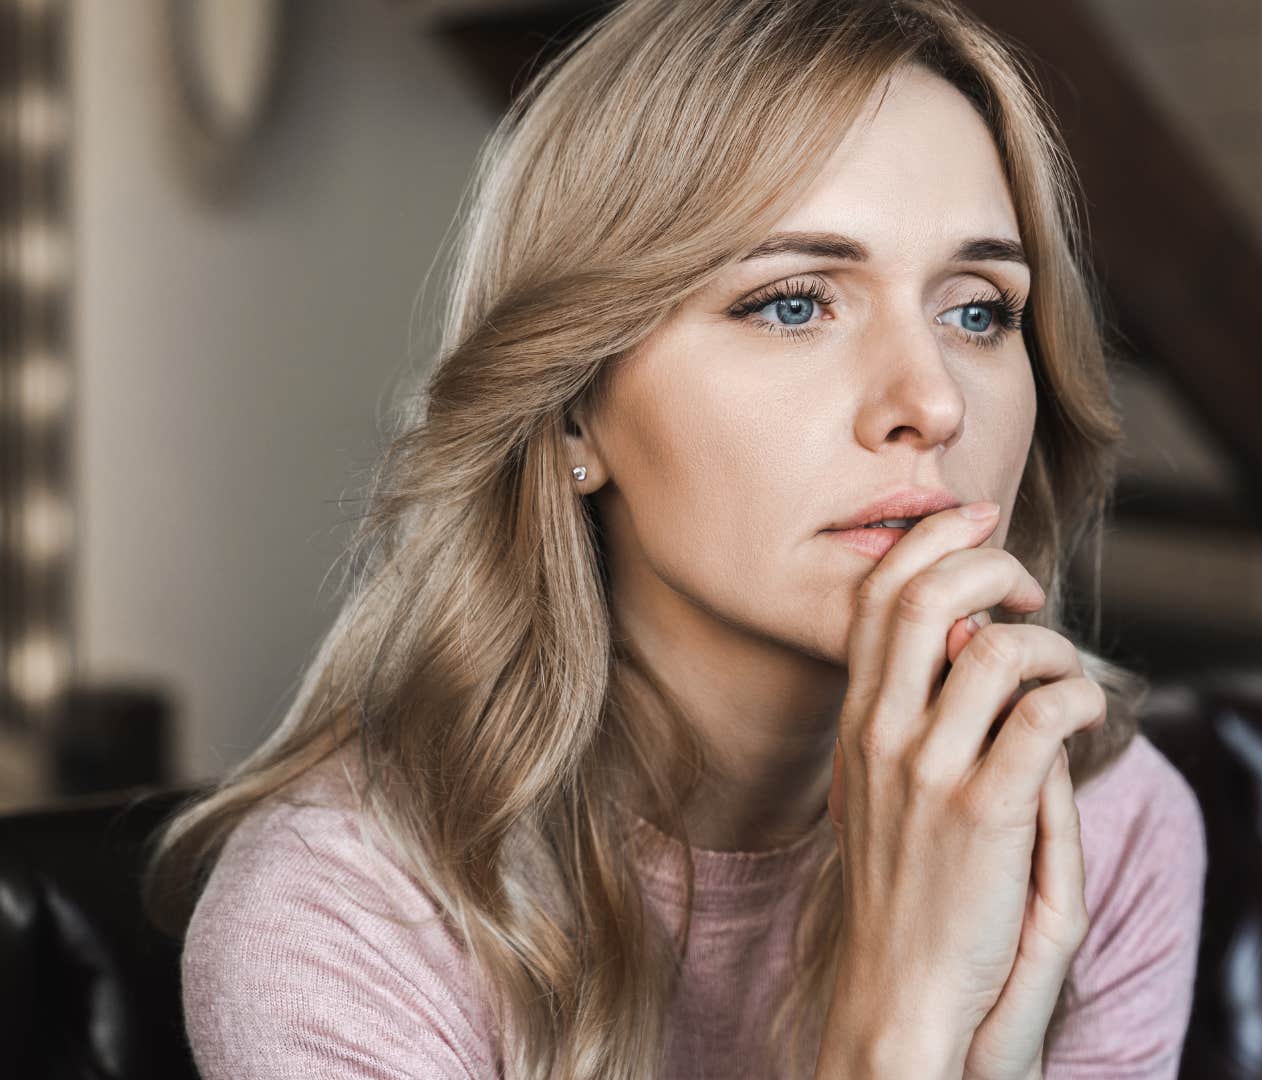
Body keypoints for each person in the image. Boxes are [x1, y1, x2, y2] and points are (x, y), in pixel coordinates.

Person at [144, 0, 1207, 1076]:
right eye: (793, 304)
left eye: (978, 310)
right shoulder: (338, 926)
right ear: (571, 408)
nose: (931, 401)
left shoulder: (1102, 822)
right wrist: (905, 1025)